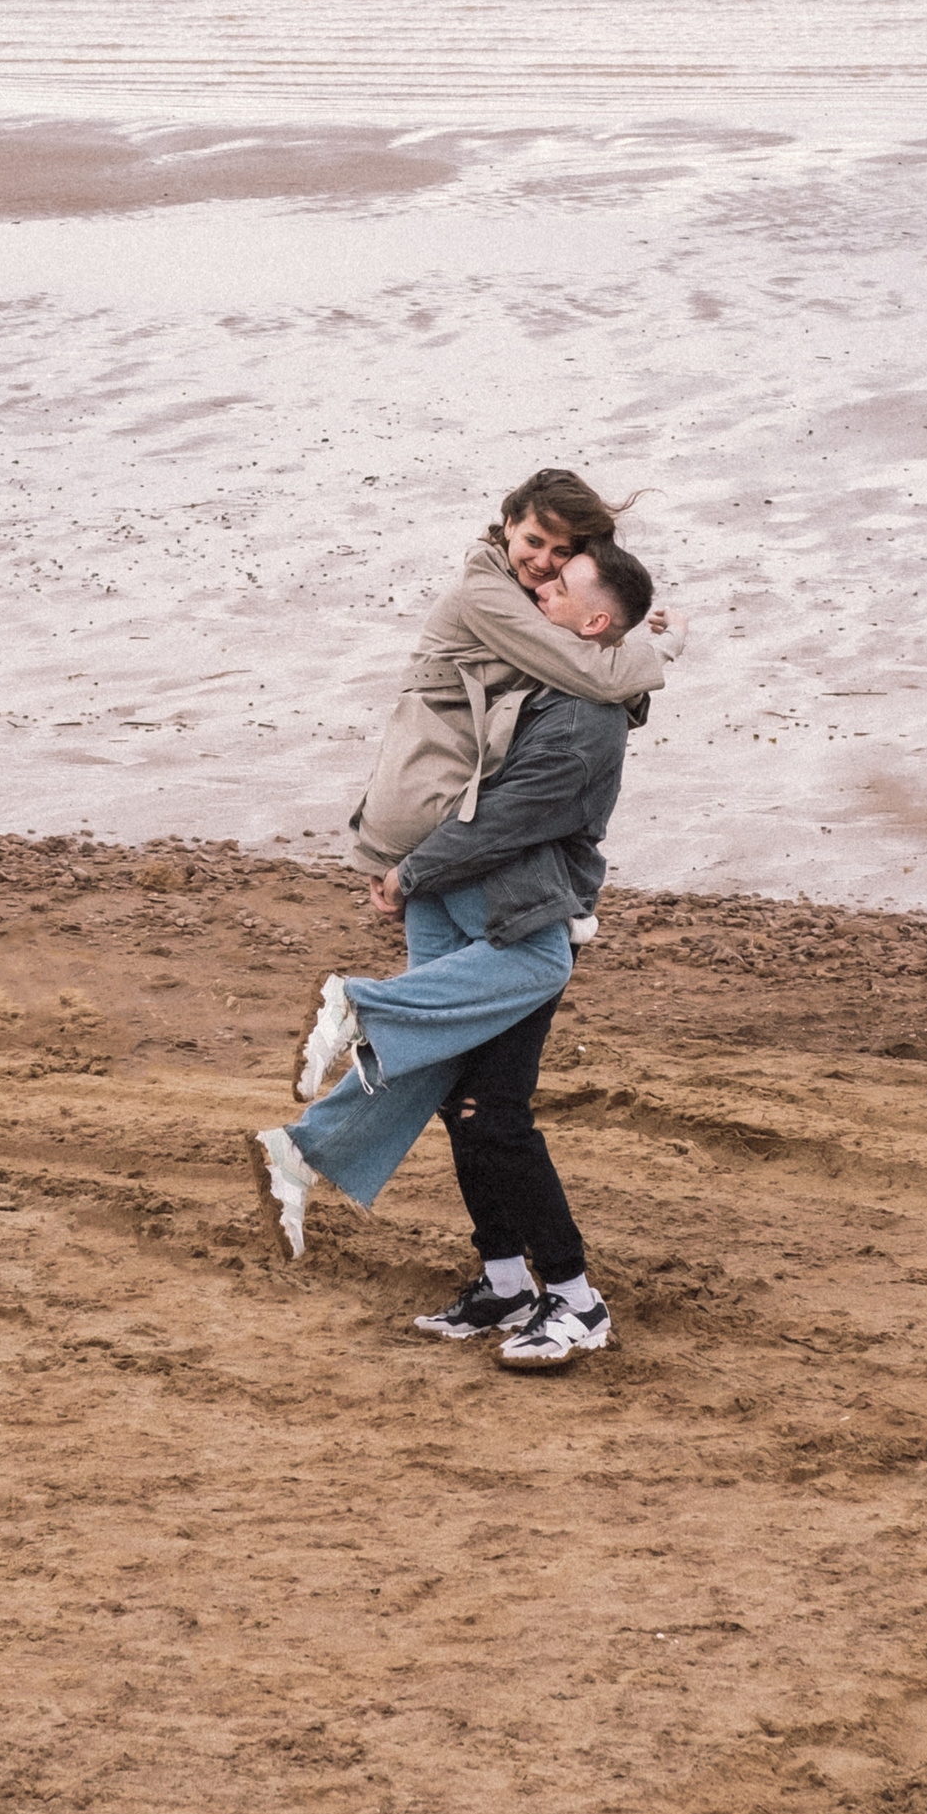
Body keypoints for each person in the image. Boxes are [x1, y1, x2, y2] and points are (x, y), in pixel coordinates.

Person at [251, 537, 653, 1371]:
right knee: (463, 1101)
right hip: (479, 904)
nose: (539, 593)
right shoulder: (549, 669)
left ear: (596, 618)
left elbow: (505, 820)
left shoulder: (583, 716)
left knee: (493, 1114)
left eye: (561, 586)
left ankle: (576, 1299)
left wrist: (412, 872)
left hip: (521, 912)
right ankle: (506, 1280)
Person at [350, 465, 676, 879]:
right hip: (426, 805)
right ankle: (561, 913)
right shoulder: (485, 590)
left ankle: (564, 904)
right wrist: (670, 644)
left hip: (449, 796)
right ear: (509, 525)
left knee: (595, 723)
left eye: (561, 552)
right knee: (594, 722)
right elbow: (602, 677)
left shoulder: (536, 597)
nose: (543, 563)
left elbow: (601, 675)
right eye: (533, 541)